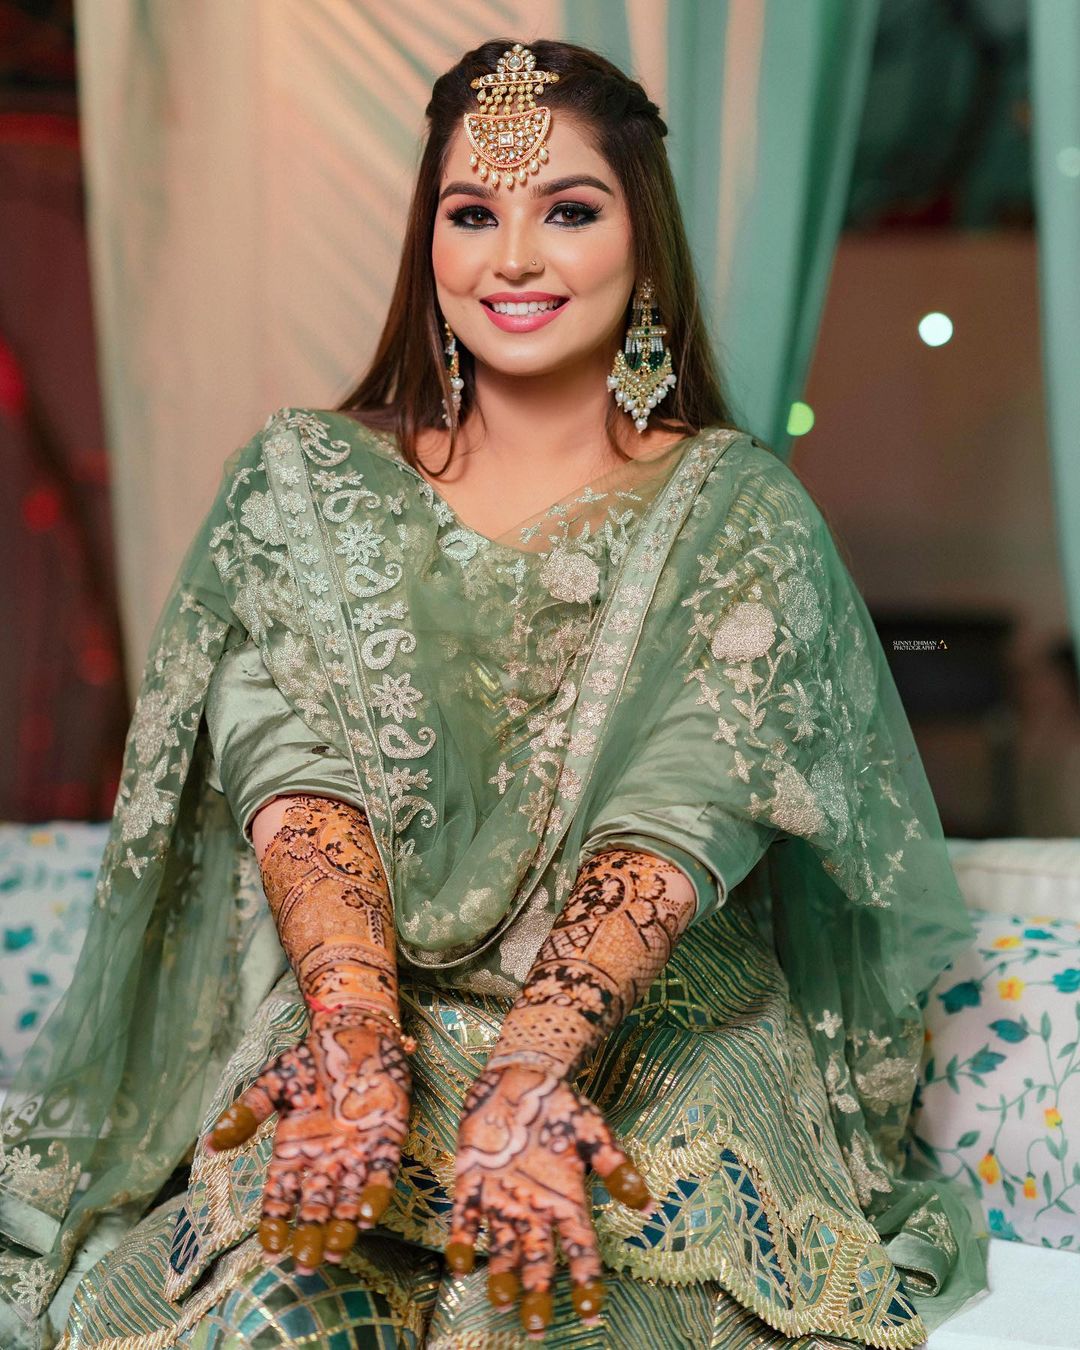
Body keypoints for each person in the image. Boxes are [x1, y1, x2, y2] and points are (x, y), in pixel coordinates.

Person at [0, 37, 987, 1350]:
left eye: (568, 210)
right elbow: (296, 779)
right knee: (282, 1312)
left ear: (645, 245)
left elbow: (681, 811)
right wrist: (356, 1050)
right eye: (472, 214)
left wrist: (530, 1076)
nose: (512, 257)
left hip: (652, 1038)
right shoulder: (307, 483)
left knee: (526, 1315)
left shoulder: (737, 511)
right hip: (362, 1015)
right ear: (430, 245)